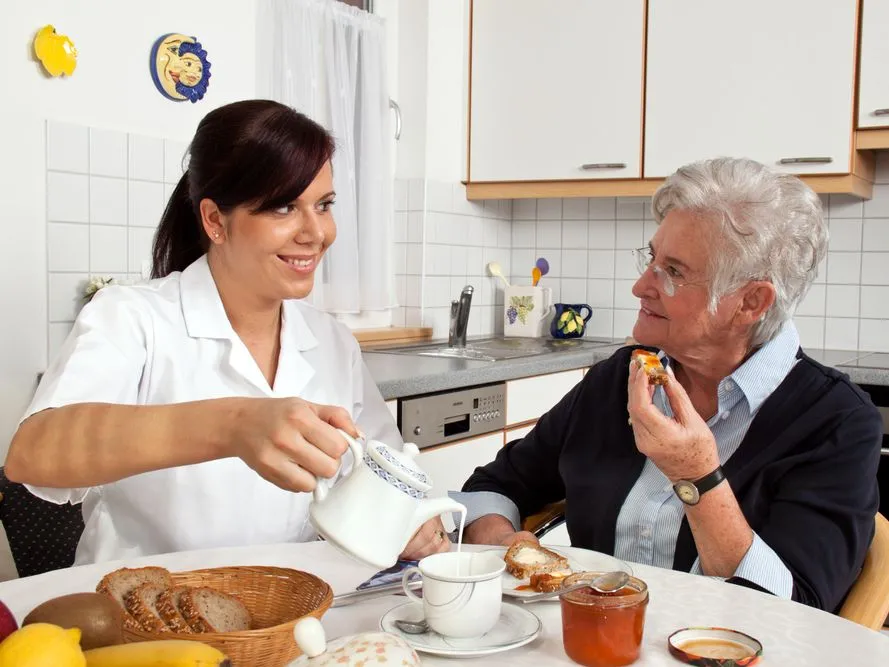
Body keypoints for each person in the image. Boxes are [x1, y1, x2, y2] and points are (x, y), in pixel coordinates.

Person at [6, 100, 449, 565]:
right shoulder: (133, 317)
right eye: (283, 207)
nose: (315, 232)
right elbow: (33, 452)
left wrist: (412, 521)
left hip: (293, 613)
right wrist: (234, 426)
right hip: (146, 619)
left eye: (323, 205)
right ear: (215, 220)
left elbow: (387, 471)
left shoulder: (332, 342)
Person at [454, 157, 881, 612]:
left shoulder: (837, 421)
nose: (641, 286)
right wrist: (507, 549)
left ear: (751, 302)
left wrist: (697, 475)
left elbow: (799, 613)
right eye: (652, 259)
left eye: (674, 272)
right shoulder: (617, 378)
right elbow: (491, 487)